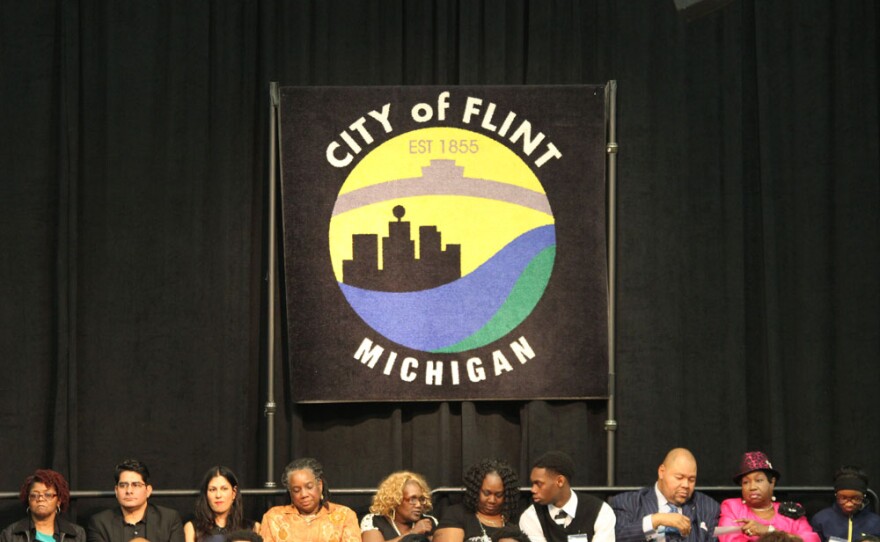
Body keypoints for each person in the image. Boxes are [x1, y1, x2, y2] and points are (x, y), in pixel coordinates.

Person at [610, 448, 720, 542]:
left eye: (691, 480)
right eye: (679, 478)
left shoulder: (708, 506)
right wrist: (656, 520)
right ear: (661, 472)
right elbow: (616, 537)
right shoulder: (628, 502)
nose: (686, 485)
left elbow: (715, 538)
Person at [718, 451, 819, 542]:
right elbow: (727, 538)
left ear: (772, 482)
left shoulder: (791, 510)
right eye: (746, 482)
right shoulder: (731, 507)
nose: (752, 487)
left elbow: (812, 539)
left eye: (759, 480)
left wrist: (769, 531)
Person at [519, 451, 615, 542]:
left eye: (539, 484)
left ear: (560, 481)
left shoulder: (600, 511)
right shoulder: (531, 516)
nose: (533, 490)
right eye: (533, 484)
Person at [259, 458, 360, 542]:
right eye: (296, 490)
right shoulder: (274, 518)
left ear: (319, 485)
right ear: (290, 492)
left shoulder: (344, 515)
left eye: (309, 487)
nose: (304, 494)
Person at [87, 458, 184, 542]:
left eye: (136, 485)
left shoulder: (169, 519)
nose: (129, 491)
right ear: (116, 490)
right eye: (123, 485)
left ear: (148, 490)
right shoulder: (100, 523)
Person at [433, 459, 519, 542]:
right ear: (476, 490)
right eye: (486, 493)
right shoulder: (457, 514)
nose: (492, 500)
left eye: (498, 495)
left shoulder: (513, 520)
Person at [0, 469, 86, 542]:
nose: (40, 499)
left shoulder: (77, 534)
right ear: (28, 499)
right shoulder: (10, 534)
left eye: (47, 495)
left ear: (58, 501)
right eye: (34, 495)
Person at [184, 466, 260, 542]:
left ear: (234, 492)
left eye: (224, 489)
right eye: (212, 489)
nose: (218, 495)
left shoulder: (253, 527)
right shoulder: (192, 529)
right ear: (206, 494)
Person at [360, 471, 437, 542]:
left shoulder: (429, 522)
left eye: (421, 499)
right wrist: (412, 533)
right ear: (396, 500)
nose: (418, 505)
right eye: (412, 499)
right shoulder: (375, 521)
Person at [810, 467, 880, 542]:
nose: (849, 504)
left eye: (856, 498)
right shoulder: (821, 520)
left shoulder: (876, 523)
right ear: (836, 495)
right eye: (843, 498)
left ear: (864, 496)